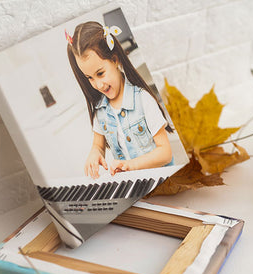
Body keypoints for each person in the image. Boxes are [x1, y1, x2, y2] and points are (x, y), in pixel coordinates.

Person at [66, 21, 173, 179]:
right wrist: (94, 154)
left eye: (100, 73)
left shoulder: (142, 99)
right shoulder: (100, 111)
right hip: (133, 186)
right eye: (90, 77)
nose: (98, 84)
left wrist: (131, 165)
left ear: (115, 60)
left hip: (162, 182)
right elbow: (98, 145)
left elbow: (166, 153)